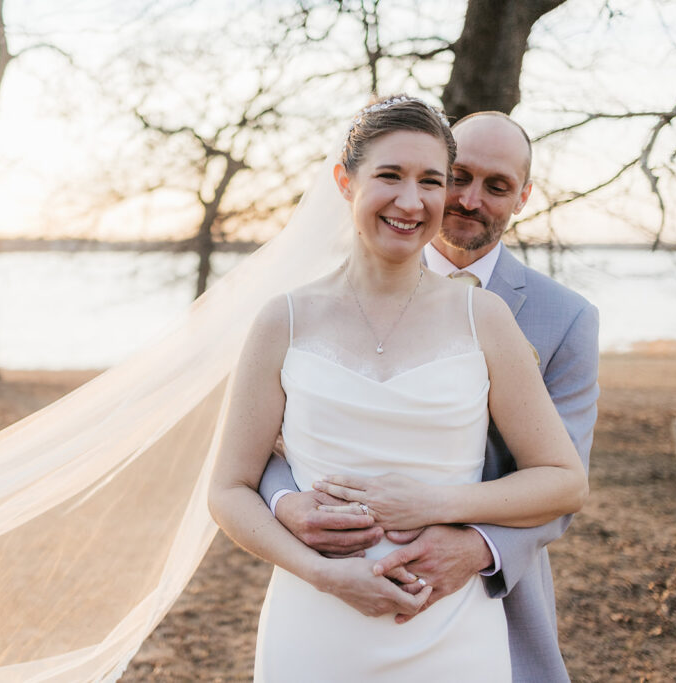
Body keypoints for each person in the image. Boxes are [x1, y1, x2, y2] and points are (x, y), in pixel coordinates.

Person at [208, 96, 588, 681]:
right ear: (345, 180)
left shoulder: (484, 317)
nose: (412, 201)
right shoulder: (281, 320)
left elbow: (564, 479)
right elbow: (229, 488)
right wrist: (322, 573)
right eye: (390, 175)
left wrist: (436, 503)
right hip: (315, 628)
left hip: (451, 630)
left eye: (431, 181)